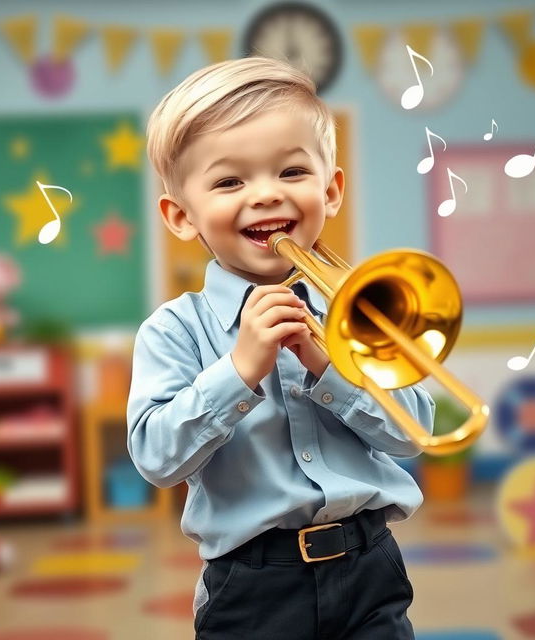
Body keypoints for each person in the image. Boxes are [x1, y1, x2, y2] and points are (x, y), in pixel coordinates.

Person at [127, 55, 436, 640]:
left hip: (370, 566)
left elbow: (413, 432)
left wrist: (328, 366)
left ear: (332, 189)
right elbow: (157, 460)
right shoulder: (173, 331)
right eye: (228, 181)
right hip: (252, 585)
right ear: (180, 216)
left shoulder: (361, 310)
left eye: (292, 172)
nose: (265, 196)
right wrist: (239, 371)